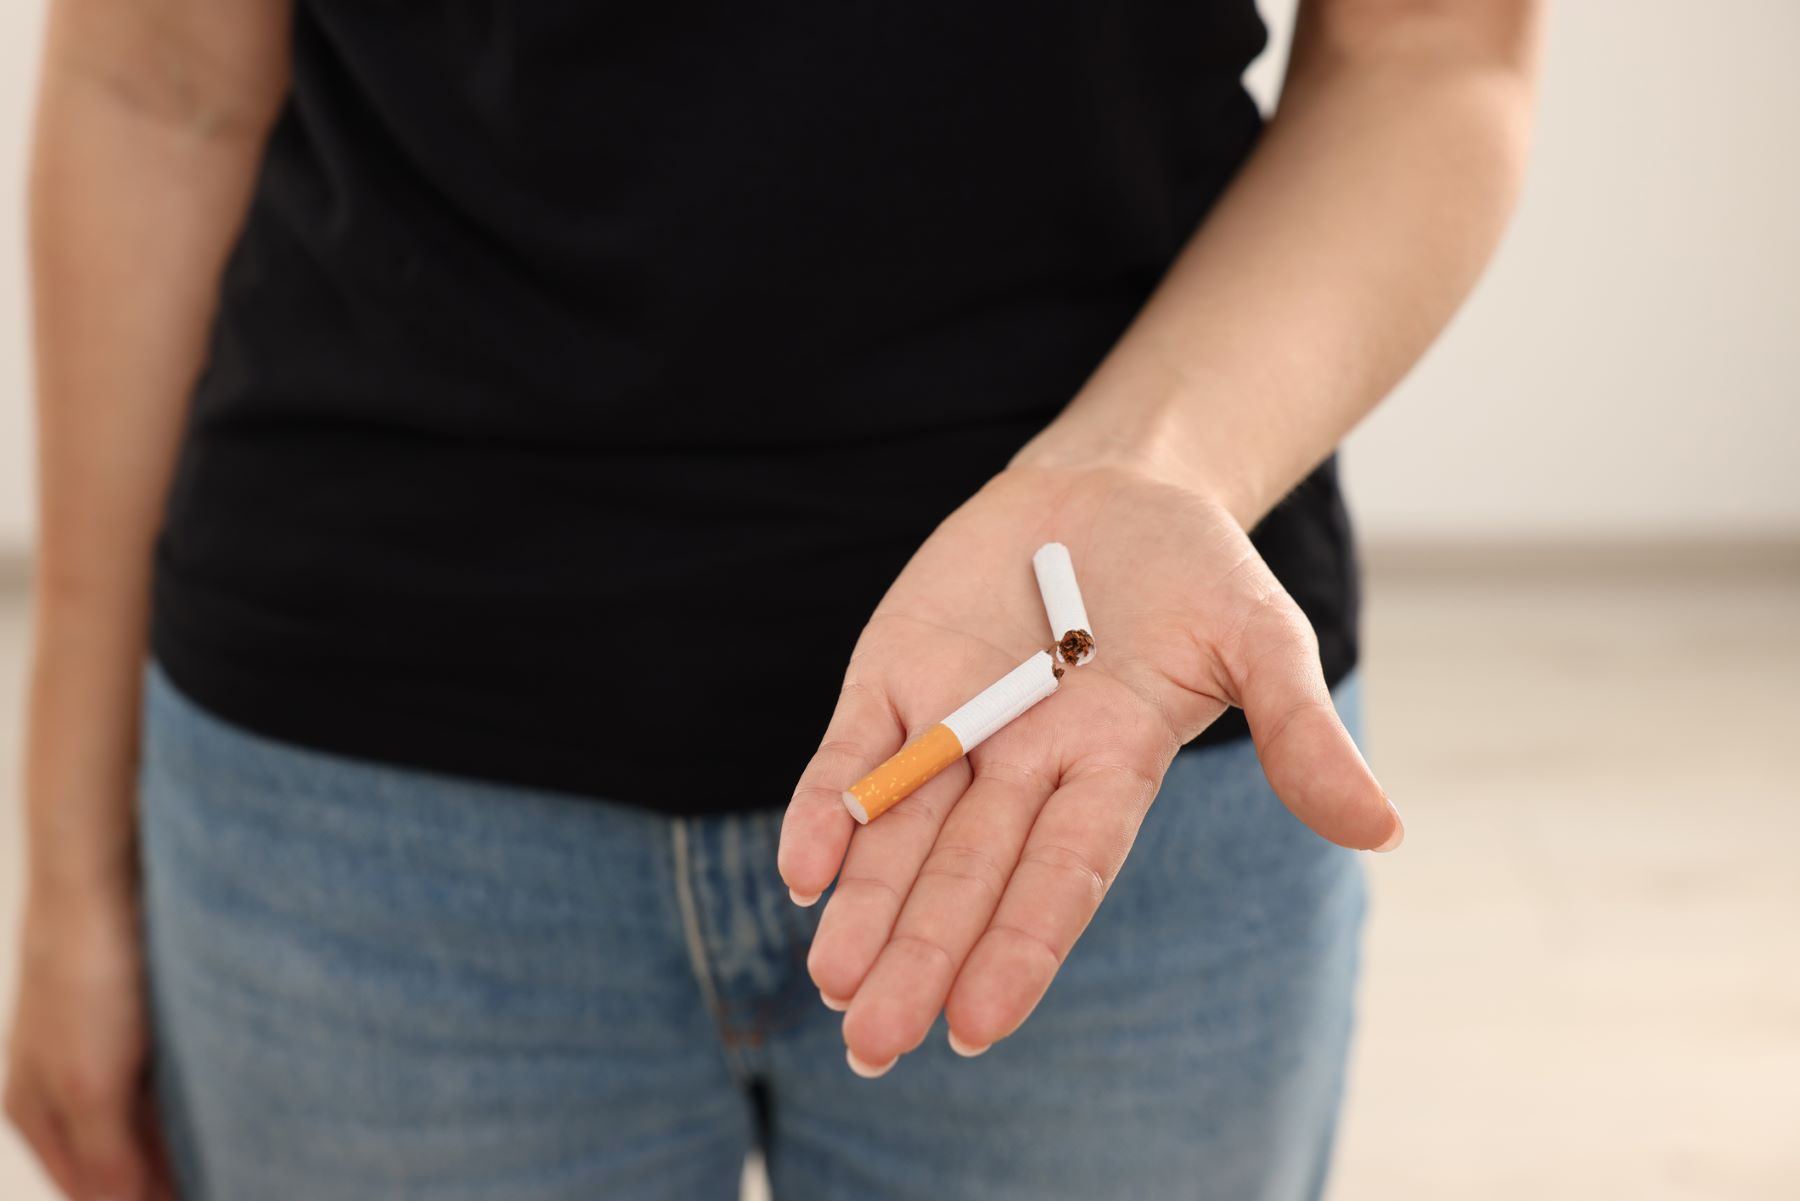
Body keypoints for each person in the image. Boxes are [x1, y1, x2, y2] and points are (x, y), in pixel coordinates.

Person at [5, 1, 1539, 1198]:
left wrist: (1152, 466)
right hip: (367, 774)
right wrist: (71, 859)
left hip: (1116, 758)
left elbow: (1433, 54)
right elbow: (160, 82)